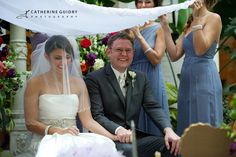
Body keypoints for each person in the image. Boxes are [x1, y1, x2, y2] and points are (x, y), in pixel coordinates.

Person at [22, 35, 123, 157]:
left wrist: (112, 136)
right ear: (46, 57)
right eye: (58, 58)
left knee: (106, 145)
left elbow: (88, 121)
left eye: (68, 57)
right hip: (46, 139)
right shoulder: (35, 83)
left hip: (73, 138)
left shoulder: (79, 83)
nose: (63, 62)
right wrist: (57, 132)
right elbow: (30, 123)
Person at [85, 32, 180, 157]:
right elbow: (97, 115)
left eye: (128, 50)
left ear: (133, 53)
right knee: (128, 151)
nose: (124, 54)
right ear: (109, 52)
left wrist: (168, 130)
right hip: (108, 137)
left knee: (172, 146)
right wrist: (119, 130)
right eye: (119, 50)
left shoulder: (140, 78)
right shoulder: (94, 78)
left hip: (134, 137)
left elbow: (153, 107)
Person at [160, 0, 223, 136]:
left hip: (204, 79)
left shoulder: (214, 18)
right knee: (187, 124)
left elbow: (200, 49)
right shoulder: (189, 23)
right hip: (187, 82)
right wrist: (165, 27)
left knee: (203, 123)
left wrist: (198, 19)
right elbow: (174, 54)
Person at [125, 0, 170, 136]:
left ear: (155, 4)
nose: (143, 5)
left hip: (152, 78)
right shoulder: (130, 28)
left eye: (148, 2)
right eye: (140, 2)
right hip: (133, 80)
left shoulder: (159, 28)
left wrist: (138, 36)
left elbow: (156, 59)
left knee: (154, 118)